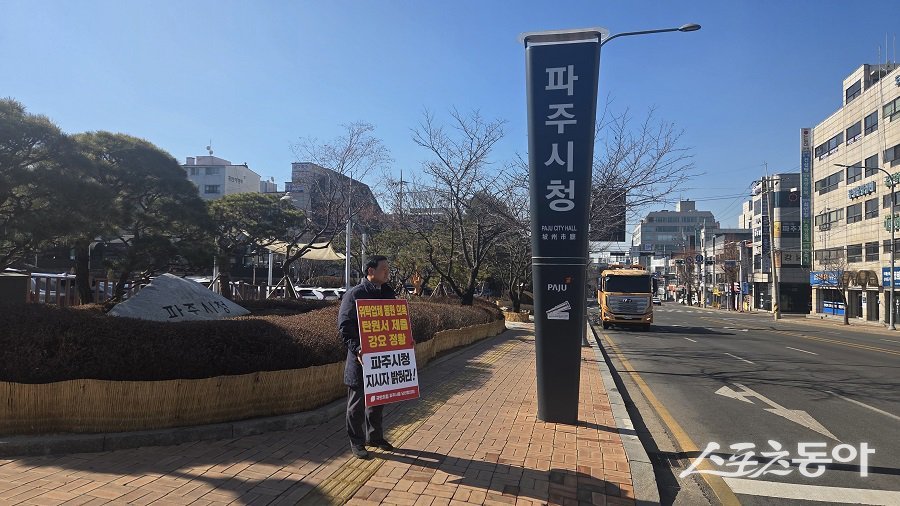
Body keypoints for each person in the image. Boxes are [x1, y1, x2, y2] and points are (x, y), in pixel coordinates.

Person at [338, 255, 398, 459]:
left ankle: (375, 437)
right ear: (370, 271)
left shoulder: (389, 294)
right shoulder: (355, 294)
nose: (387, 272)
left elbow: (394, 324)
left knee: (378, 400)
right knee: (357, 404)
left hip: (382, 359)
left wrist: (405, 342)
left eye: (388, 269)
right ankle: (356, 441)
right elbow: (345, 327)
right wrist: (357, 350)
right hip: (360, 359)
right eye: (384, 269)